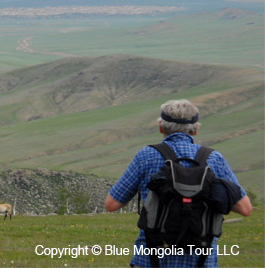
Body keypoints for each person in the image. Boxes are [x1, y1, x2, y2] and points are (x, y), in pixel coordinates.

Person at [105, 99, 252, 267]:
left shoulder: (145, 156)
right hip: (201, 261)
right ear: (195, 129)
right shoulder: (214, 159)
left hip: (151, 260)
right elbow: (245, 208)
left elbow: (112, 204)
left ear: (161, 127)